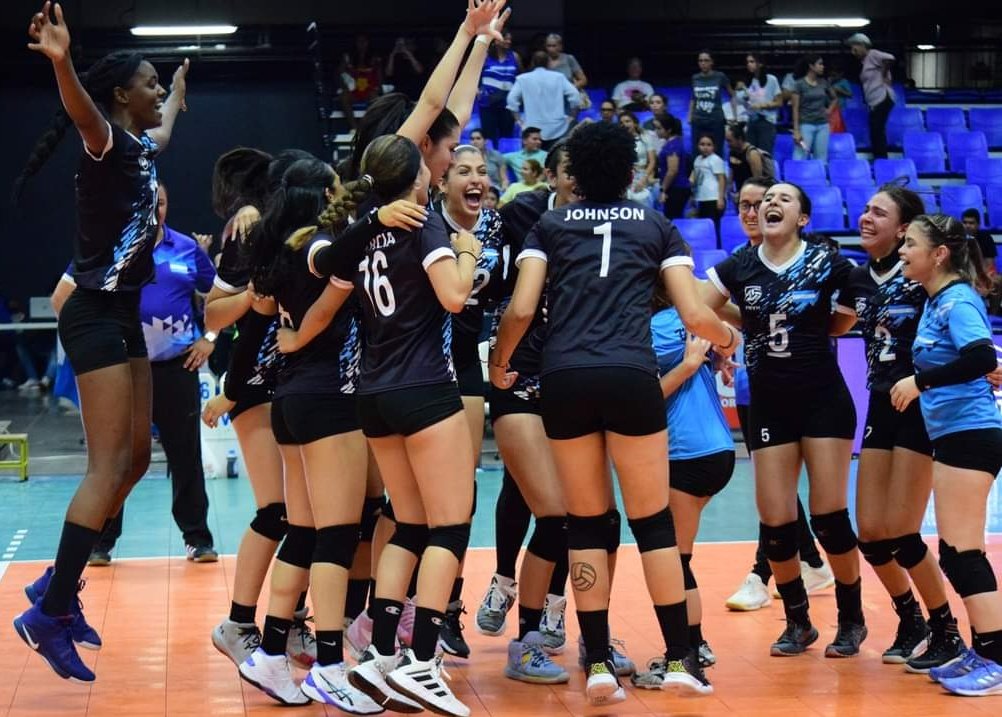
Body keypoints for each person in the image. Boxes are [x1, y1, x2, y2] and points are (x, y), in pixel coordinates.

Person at [490, 121, 739, 705]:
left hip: (566, 377)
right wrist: (725, 336)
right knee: (651, 523)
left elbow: (522, 309)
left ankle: (598, 661)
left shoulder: (549, 225)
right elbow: (696, 316)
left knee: (584, 522)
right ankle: (680, 657)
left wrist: (500, 364)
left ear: (572, 174)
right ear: (632, 172)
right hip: (631, 375)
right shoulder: (655, 225)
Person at [12, 2, 188, 683]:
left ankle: (56, 582)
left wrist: (174, 96)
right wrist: (62, 61)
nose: (151, 94)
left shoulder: (144, 146)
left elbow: (165, 130)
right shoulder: (106, 140)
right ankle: (51, 610)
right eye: (145, 84)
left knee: (138, 458)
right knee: (105, 465)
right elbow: (85, 111)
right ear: (121, 95)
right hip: (91, 314)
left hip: (123, 313)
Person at [279, 134, 483, 717]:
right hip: (424, 388)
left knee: (411, 523)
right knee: (450, 525)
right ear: (418, 179)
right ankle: (422, 661)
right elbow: (453, 296)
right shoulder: (425, 225)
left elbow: (328, 270)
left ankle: (383, 655)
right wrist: (466, 250)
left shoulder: (361, 236)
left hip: (373, 395)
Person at [704, 183, 867, 658]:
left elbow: (851, 313)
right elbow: (698, 302)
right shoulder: (742, 263)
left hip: (822, 398)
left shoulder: (829, 262)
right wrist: (745, 323)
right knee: (776, 520)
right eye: (765, 199)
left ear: (803, 219)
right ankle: (799, 622)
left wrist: (817, 326)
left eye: (784, 199)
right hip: (771, 401)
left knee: (830, 518)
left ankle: (851, 618)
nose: (771, 204)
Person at [833, 187, 967, 672]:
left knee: (903, 532)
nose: (865, 217)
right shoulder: (854, 276)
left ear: (904, 229)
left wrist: (978, 365)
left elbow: (958, 308)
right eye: (864, 208)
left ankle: (945, 627)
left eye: (877, 212)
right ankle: (909, 616)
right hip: (879, 401)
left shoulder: (920, 275)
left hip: (919, 403)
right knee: (870, 532)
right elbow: (830, 322)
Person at [201, 148, 319, 672]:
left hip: (297, 381)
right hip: (252, 381)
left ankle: (290, 621)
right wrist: (255, 295)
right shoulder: (249, 237)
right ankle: (238, 623)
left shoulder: (310, 237)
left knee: (309, 516)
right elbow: (215, 312)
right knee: (278, 511)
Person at [68, 181, 218, 566]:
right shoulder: (111, 247)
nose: (157, 208)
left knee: (186, 455)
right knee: (119, 458)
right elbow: (67, 298)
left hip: (175, 368)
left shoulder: (186, 247)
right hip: (123, 371)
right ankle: (102, 540)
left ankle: (197, 538)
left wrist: (211, 337)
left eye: (162, 202)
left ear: (167, 206)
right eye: (150, 202)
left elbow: (218, 295)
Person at [890, 213, 1002, 696]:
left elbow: (982, 357)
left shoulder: (957, 300)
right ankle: (983, 649)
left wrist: (921, 382)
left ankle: (996, 658)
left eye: (910, 243)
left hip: (971, 433)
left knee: (963, 551)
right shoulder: (938, 300)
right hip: (954, 434)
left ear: (938, 253)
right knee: (954, 551)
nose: (901, 251)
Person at [722, 177, 834, 613]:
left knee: (784, 492)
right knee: (773, 490)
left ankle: (761, 573)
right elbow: (741, 314)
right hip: (757, 384)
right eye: (746, 206)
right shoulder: (740, 262)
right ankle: (808, 561)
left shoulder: (804, 260)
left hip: (802, 385)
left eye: (760, 203)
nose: (752, 211)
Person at [631, 284, 736, 687]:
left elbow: (644, 400)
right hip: (718, 448)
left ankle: (689, 655)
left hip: (686, 453)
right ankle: (696, 645)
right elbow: (731, 332)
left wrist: (693, 365)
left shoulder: (651, 331)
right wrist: (721, 349)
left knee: (676, 561)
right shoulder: (687, 320)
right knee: (679, 558)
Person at [506, 51, 580, 149]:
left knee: (532, 163)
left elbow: (511, 100)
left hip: (532, 129)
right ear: (548, 62)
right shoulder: (558, 77)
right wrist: (572, 117)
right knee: (555, 162)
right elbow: (575, 96)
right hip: (558, 128)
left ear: (533, 63)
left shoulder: (523, 79)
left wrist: (519, 121)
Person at [847, 33, 896, 159]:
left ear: (863, 45)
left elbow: (890, 58)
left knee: (877, 129)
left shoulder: (872, 54)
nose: (853, 52)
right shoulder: (865, 61)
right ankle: (880, 158)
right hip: (874, 100)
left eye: (855, 49)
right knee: (876, 129)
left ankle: (881, 159)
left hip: (882, 96)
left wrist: (884, 74)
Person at [689, 50, 737, 156]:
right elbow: (693, 98)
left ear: (712, 62)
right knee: (697, 152)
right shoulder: (695, 78)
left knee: (717, 151)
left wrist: (735, 116)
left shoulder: (720, 76)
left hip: (716, 120)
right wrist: (690, 117)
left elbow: (732, 95)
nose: (703, 63)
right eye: (700, 61)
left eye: (706, 60)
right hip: (698, 120)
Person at [477, 30, 521, 143]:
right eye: (506, 38)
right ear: (496, 40)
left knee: (506, 138)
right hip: (487, 103)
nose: (509, 41)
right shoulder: (485, 56)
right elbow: (473, 75)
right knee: (488, 138)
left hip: (507, 104)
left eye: (510, 39)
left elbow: (520, 78)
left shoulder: (514, 57)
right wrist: (476, 91)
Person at [792, 55, 835, 161]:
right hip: (806, 125)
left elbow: (834, 98)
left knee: (821, 159)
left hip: (823, 125)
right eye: (820, 64)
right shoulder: (799, 84)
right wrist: (796, 130)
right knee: (800, 157)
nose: (823, 67)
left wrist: (829, 110)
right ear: (811, 66)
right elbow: (795, 108)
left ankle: (819, 177)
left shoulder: (824, 83)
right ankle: (795, 177)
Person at [338, 34, 383, 130]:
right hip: (353, 88)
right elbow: (340, 73)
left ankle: (366, 127)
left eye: (364, 41)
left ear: (368, 43)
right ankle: (354, 127)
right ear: (355, 43)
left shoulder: (374, 57)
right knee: (343, 97)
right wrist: (347, 84)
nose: (362, 44)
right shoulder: (347, 57)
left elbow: (379, 76)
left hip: (368, 88)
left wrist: (378, 87)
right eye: (359, 41)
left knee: (375, 97)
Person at [742, 53, 782, 154]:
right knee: (750, 154)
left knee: (764, 155)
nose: (749, 64)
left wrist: (761, 106)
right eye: (747, 62)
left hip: (766, 121)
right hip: (751, 121)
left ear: (760, 64)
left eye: (752, 62)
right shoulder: (748, 81)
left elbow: (779, 102)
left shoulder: (771, 79)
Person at [690, 134, 727, 234]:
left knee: (713, 226)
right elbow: (696, 178)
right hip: (701, 197)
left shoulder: (715, 160)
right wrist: (693, 196)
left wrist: (720, 198)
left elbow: (722, 179)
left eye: (709, 145)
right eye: (702, 144)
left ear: (714, 146)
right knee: (704, 225)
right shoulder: (697, 159)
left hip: (713, 198)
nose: (705, 147)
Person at [656, 115, 691, 220]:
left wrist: (663, 189)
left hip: (676, 189)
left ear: (669, 129)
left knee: (672, 220)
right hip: (676, 188)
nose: (656, 131)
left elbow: (672, 170)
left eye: (659, 128)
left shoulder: (673, 146)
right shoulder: (674, 143)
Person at [620, 110, 656, 207]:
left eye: (628, 121)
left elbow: (652, 161)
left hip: (643, 175)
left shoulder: (645, 138)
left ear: (635, 123)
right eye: (622, 122)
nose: (625, 124)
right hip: (625, 176)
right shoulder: (618, 140)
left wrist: (644, 177)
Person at [725, 123, 769, 199]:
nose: (728, 144)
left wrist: (744, 194)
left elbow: (758, 181)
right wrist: (729, 189)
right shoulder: (732, 152)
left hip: (752, 195)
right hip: (740, 194)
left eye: (730, 141)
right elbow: (732, 171)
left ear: (739, 139)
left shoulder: (752, 154)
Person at [385, 37, 425, 102]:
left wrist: (408, 53)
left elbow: (419, 70)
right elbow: (388, 73)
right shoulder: (396, 59)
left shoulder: (418, 57)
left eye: (407, 44)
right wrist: (392, 54)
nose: (405, 47)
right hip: (399, 94)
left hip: (414, 93)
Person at [962, 208, 998, 276]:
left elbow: (989, 265)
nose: (967, 226)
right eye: (965, 222)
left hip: (983, 275)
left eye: (971, 223)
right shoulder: (958, 238)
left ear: (978, 224)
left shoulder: (986, 238)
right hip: (965, 276)